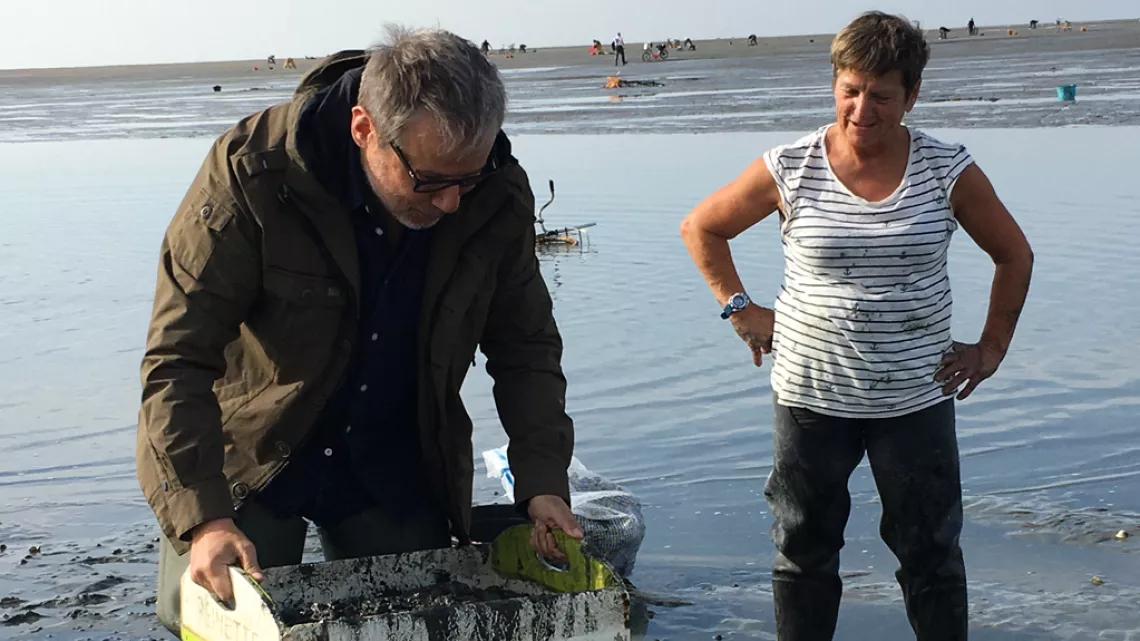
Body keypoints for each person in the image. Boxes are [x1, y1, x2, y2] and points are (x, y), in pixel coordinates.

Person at [136, 25, 582, 637]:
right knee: (204, 611)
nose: (452, 202)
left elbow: (525, 345)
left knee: (415, 616)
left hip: (394, 450)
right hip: (256, 450)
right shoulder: (251, 173)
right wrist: (204, 519)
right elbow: (178, 358)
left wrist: (542, 484)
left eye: (468, 178)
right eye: (429, 181)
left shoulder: (496, 191)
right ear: (364, 129)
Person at [680, 11, 1032, 640]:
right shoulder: (791, 166)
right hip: (810, 397)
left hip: (915, 399)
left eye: (882, 94)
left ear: (912, 95)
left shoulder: (945, 168)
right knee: (804, 552)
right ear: (835, 85)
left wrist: (991, 347)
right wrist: (739, 308)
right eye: (850, 89)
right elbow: (702, 227)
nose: (862, 108)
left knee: (930, 554)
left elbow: (1014, 253)